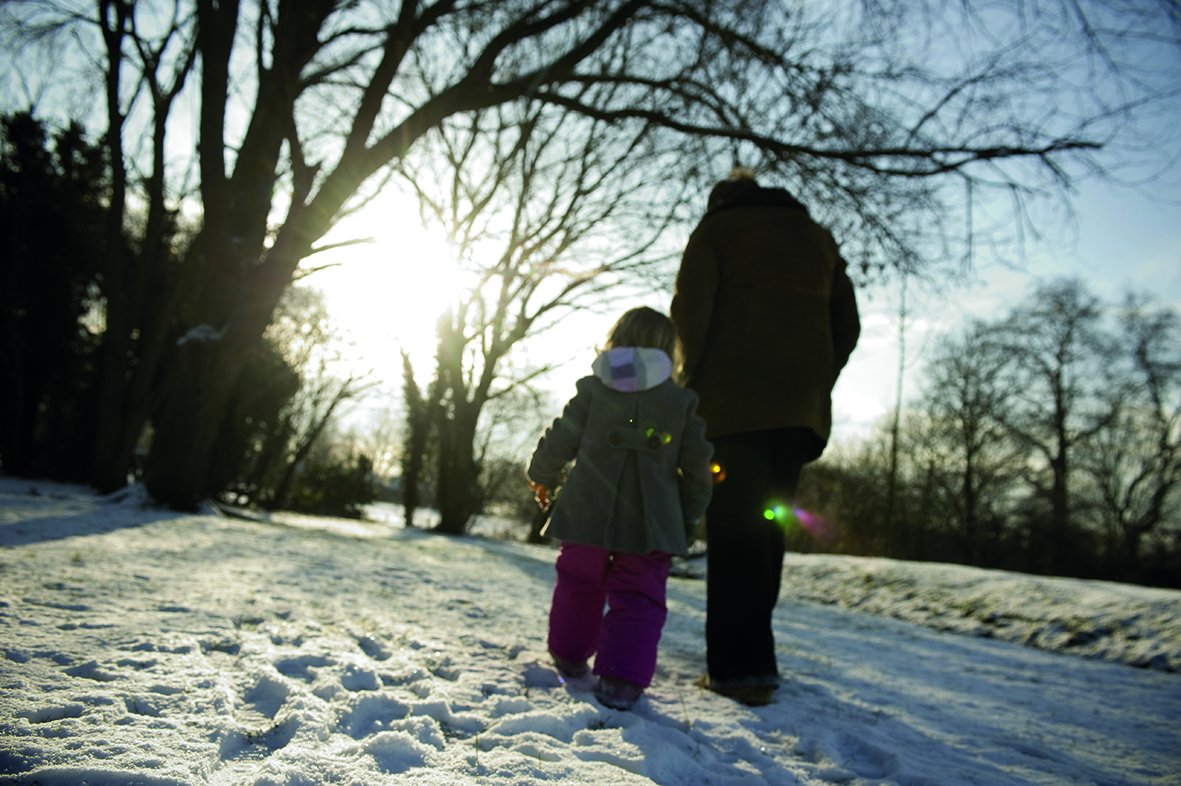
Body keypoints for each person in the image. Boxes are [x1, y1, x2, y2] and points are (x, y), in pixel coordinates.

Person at [670, 169, 860, 706]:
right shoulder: (818, 239)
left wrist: (685, 385)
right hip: (798, 414)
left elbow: (690, 316)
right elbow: (847, 324)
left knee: (734, 532)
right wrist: (816, 378)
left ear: (719, 201)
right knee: (770, 529)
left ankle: (738, 671)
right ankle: (757, 662)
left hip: (732, 409)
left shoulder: (716, 232)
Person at [527, 306, 714, 710]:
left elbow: (561, 438)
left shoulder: (594, 390)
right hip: (651, 522)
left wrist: (543, 475)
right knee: (640, 595)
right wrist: (684, 519)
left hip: (586, 510)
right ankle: (621, 681)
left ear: (616, 340)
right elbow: (699, 470)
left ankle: (570, 656)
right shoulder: (680, 402)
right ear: (669, 350)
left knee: (578, 582)